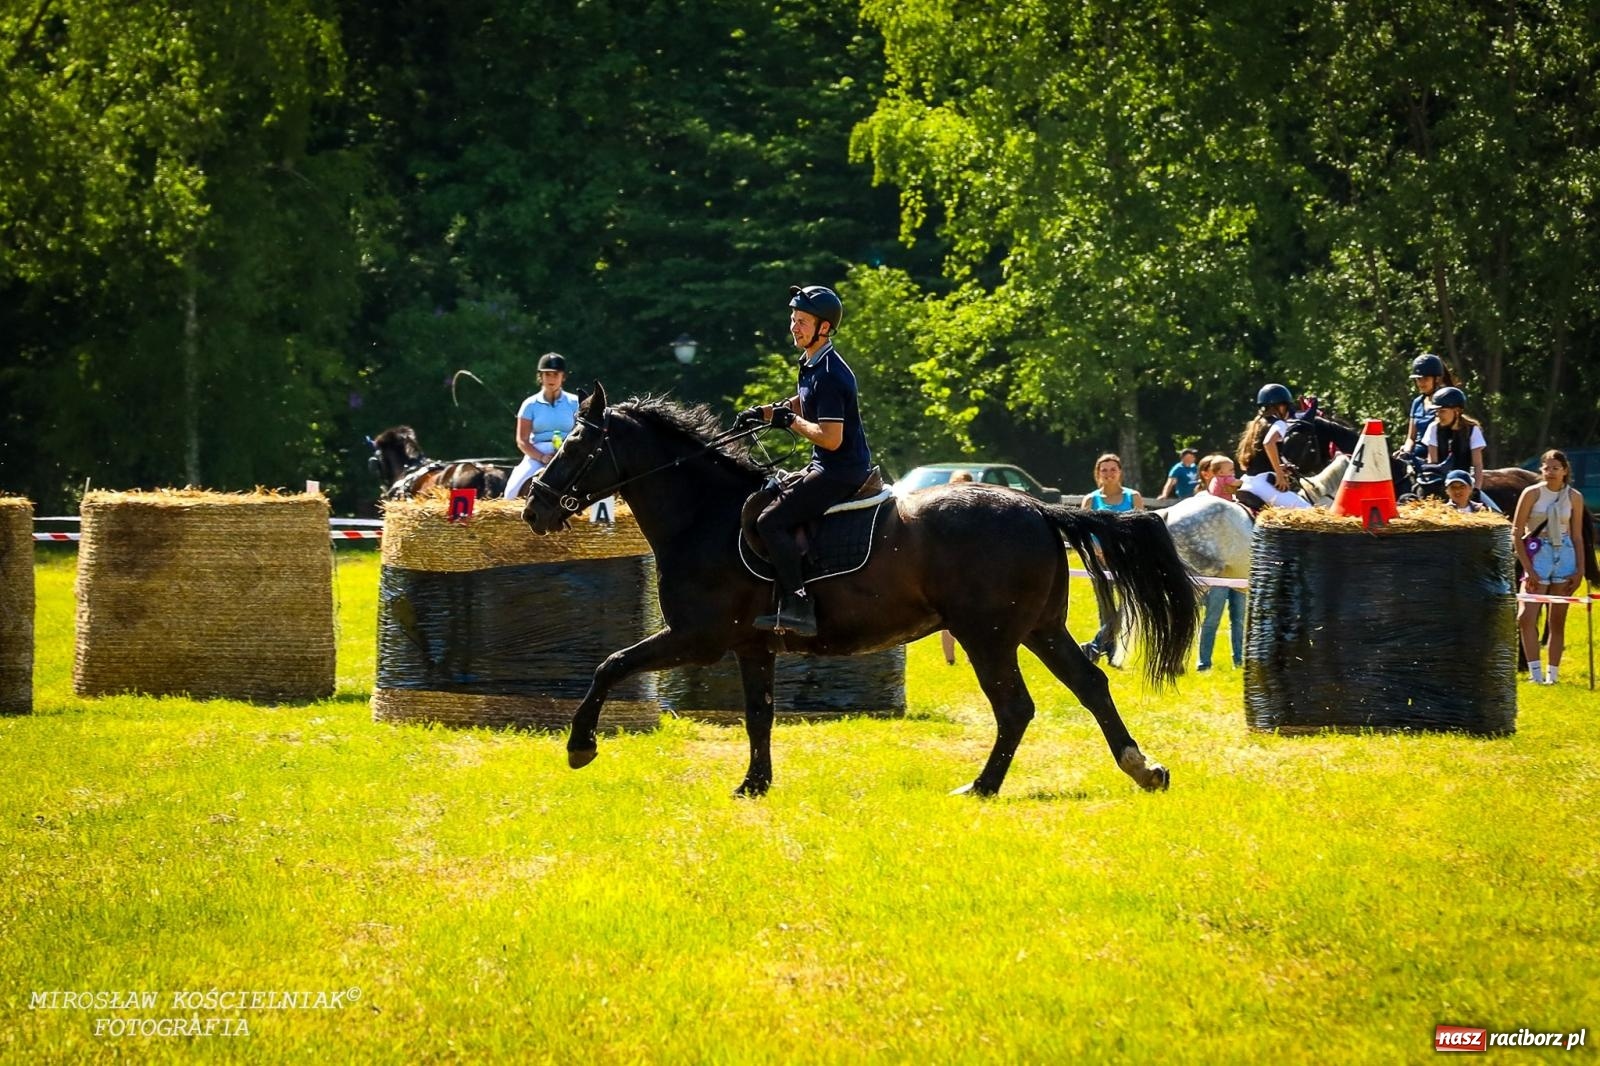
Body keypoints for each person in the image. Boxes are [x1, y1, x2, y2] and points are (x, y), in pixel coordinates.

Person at [740, 285, 872, 638]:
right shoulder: (813, 363)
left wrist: (790, 423)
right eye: (793, 319)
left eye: (802, 321)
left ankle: (799, 605)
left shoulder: (830, 373)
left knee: (770, 522)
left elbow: (831, 438)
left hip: (840, 472)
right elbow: (802, 400)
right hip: (825, 467)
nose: (794, 327)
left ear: (824, 328)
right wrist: (766, 412)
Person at [1513, 450, 1585, 685]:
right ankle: (1535, 673)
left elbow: (1577, 536)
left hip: (1564, 553)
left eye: (1556, 468)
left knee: (1557, 619)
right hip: (1537, 552)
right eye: (1546, 467)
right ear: (1541, 470)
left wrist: (1580, 569)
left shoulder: (1574, 497)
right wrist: (1528, 568)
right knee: (1526, 617)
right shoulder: (1531, 493)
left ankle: (1552, 675)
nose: (1551, 472)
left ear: (1565, 470)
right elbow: (1517, 532)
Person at [1079, 453, 1144, 665]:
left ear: (1120, 472)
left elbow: (1140, 528)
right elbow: (1082, 531)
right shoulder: (1091, 500)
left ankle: (1096, 644)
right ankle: (1109, 652)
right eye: (1104, 470)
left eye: (1113, 469)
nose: (1109, 474)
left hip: (1127, 560)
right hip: (1099, 561)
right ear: (1098, 474)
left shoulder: (1133, 497)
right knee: (1105, 607)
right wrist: (1097, 549)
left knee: (1128, 604)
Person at [504, 353, 579, 499]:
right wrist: (542, 457)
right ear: (541, 377)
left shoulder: (575, 403)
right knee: (510, 493)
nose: (551, 379)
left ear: (563, 377)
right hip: (537, 454)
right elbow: (522, 440)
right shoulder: (529, 404)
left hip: (569, 453)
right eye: (547, 374)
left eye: (555, 374)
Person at [1235, 384, 1313, 509]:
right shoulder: (1279, 423)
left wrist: (1276, 467)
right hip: (1263, 485)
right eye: (1286, 406)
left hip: (1247, 482)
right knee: (1309, 510)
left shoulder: (1256, 424)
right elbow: (1268, 443)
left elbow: (1250, 463)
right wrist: (1280, 475)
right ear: (1280, 406)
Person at [1422, 386, 1486, 493]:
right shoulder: (1433, 428)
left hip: (1464, 484)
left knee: (1490, 507)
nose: (1438, 415)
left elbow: (1477, 465)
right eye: (1436, 411)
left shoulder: (1473, 430)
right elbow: (1433, 462)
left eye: (1442, 411)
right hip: (1440, 483)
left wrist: (1476, 490)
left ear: (1456, 411)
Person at [940, 472, 974, 664]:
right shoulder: (971, 507)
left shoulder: (944, 507)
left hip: (952, 568)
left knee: (948, 618)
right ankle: (956, 658)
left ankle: (953, 659)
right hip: (958, 569)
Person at [1401, 353, 1454, 463]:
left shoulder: (1446, 401)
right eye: (1418, 379)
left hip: (1440, 453)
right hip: (1418, 452)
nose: (1420, 383)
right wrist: (1406, 452)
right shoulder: (1417, 402)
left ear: (1437, 379)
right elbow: (1411, 437)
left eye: (1425, 379)